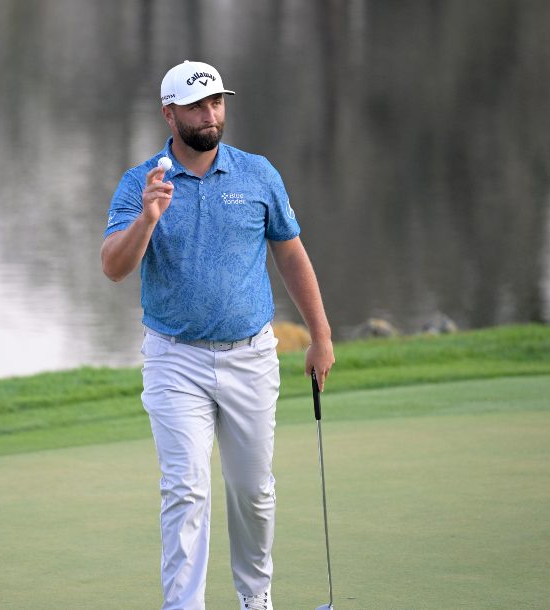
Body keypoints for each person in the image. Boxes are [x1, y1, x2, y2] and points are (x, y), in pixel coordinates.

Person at [101, 60, 334, 610]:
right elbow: (113, 267)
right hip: (174, 360)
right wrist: (147, 219)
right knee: (186, 490)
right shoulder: (142, 183)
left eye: (217, 103)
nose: (211, 114)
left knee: (253, 494)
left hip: (252, 357)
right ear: (169, 113)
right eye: (198, 105)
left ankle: (256, 600)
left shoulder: (257, 175)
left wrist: (321, 335)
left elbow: (291, 253)